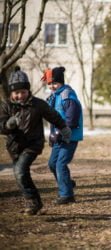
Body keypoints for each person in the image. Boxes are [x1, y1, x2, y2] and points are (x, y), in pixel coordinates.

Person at [0, 66, 70, 215]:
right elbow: (1, 126)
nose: (20, 95)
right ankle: (35, 202)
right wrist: (8, 124)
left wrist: (64, 128)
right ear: (12, 93)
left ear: (28, 91)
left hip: (33, 144)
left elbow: (53, 115)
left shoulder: (37, 104)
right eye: (17, 92)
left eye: (23, 92)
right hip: (15, 146)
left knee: (20, 171)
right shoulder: (6, 106)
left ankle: (32, 202)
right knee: (21, 175)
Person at [43, 66, 83, 205]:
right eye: (49, 84)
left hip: (69, 137)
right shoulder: (55, 96)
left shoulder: (67, 96)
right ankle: (67, 183)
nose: (52, 86)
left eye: (55, 83)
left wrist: (60, 133)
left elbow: (71, 119)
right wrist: (53, 134)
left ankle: (66, 195)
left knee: (60, 164)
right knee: (52, 163)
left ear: (61, 82)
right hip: (58, 136)